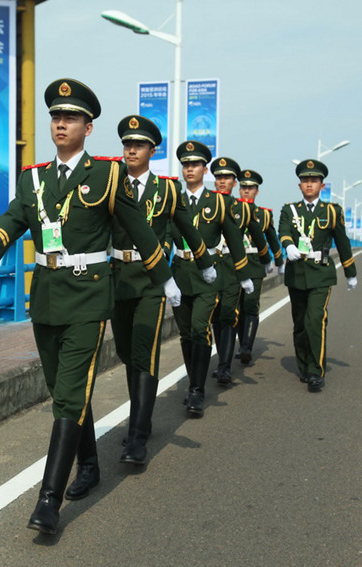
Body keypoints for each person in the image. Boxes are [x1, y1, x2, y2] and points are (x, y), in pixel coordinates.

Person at [0, 78, 182, 535]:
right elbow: (14, 218)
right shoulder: (33, 178)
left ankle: (48, 499)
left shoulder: (106, 176)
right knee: (65, 391)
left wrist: (164, 276)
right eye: (56, 117)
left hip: (87, 296)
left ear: (88, 126)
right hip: (45, 295)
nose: (60, 124)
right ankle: (89, 464)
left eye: (70, 118)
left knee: (68, 394)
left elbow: (139, 228)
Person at [111, 115, 215, 464]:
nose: (131, 150)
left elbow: (187, 228)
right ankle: (142, 415)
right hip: (116, 278)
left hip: (152, 282)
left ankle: (138, 434)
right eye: (127, 144)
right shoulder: (111, 183)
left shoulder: (167, 190)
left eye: (138, 145)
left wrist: (206, 264)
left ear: (152, 151)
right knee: (127, 353)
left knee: (144, 353)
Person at [169, 142, 253, 417]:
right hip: (181, 272)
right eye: (185, 164)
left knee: (199, 327)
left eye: (195, 164)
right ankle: (194, 379)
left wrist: (243, 275)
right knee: (185, 333)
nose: (189, 169)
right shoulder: (173, 199)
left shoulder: (218, 202)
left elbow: (234, 240)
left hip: (209, 275)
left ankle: (196, 390)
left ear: (205, 169)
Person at [278, 159, 357, 393]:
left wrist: (350, 272)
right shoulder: (289, 210)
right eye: (305, 181)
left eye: (314, 181)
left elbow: (343, 243)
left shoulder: (332, 211)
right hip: (296, 273)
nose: (309, 184)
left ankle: (315, 371)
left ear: (322, 185)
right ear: (299, 185)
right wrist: (288, 244)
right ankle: (303, 366)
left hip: (321, 273)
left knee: (315, 319)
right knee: (300, 323)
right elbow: (283, 230)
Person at [209, 157, 269, 385]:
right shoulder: (205, 203)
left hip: (234, 268)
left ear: (234, 182)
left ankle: (224, 366)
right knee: (216, 316)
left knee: (228, 315)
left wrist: (267, 258)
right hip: (211, 267)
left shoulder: (239, 208)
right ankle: (222, 359)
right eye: (218, 177)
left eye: (227, 178)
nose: (222, 181)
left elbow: (258, 233)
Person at [235, 169, 284, 364]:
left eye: (250, 188)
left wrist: (278, 261)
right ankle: (241, 343)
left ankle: (246, 346)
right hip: (233, 264)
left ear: (257, 191)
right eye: (243, 187)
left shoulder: (263, 215)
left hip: (254, 264)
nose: (246, 191)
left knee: (250, 304)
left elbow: (272, 238)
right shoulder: (230, 209)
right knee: (235, 307)